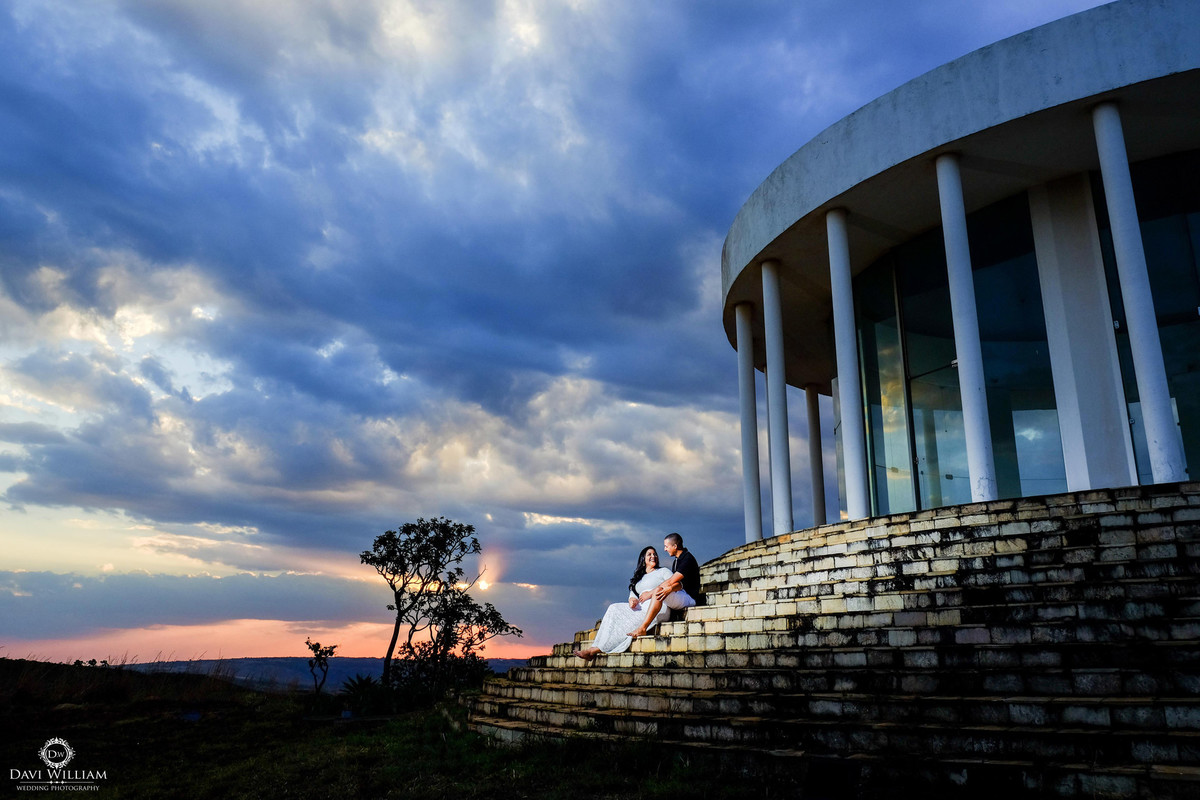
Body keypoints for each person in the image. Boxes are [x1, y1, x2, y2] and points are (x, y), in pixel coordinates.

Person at [573, 546, 673, 661]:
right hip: (640, 607)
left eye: (655, 554)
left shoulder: (663, 571)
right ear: (643, 559)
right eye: (649, 554)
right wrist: (632, 600)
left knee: (625, 625)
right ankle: (595, 646)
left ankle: (592, 651)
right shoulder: (640, 578)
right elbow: (633, 593)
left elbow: (672, 584)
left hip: (657, 607)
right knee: (613, 608)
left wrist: (650, 593)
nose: (653, 556)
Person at [627, 532, 699, 639]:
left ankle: (643, 628)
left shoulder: (687, 559)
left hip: (688, 597)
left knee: (659, 590)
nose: (665, 549)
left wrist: (650, 593)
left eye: (666, 546)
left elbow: (672, 582)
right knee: (661, 590)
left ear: (675, 546)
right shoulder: (677, 560)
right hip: (679, 593)